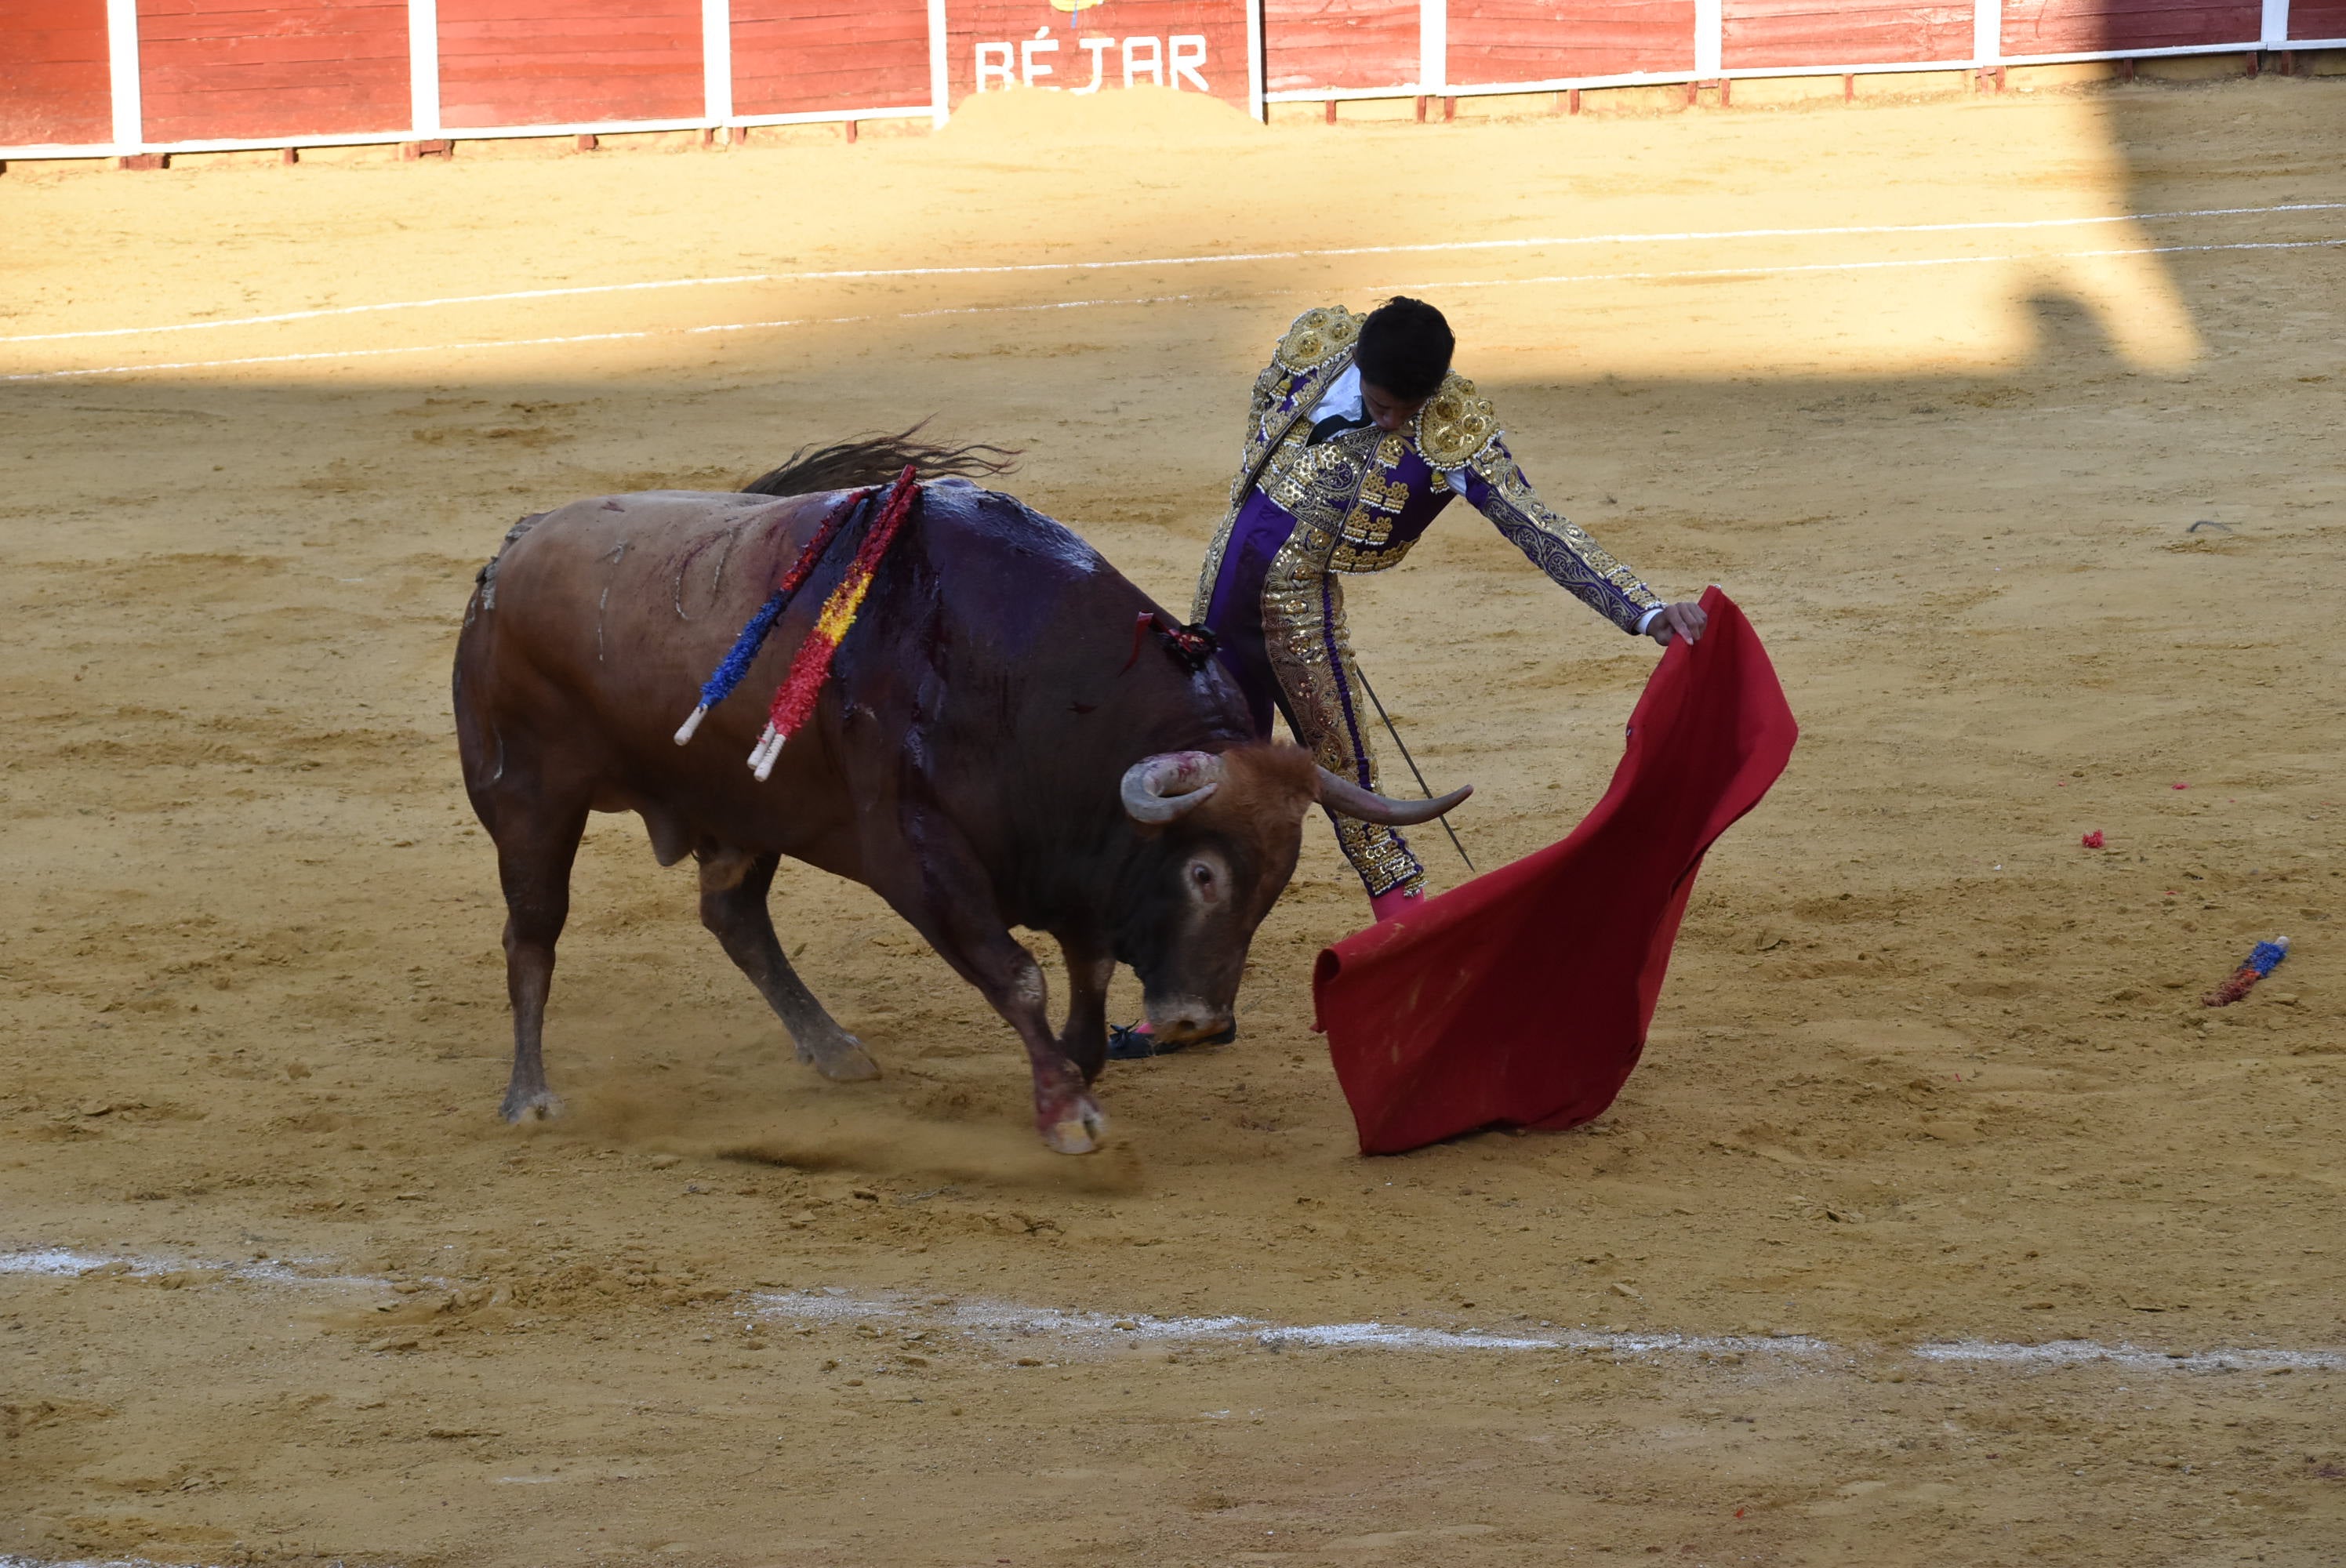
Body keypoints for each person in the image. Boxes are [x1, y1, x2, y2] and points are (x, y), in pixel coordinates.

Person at [1193, 296, 1708, 923]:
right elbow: (1261, 417)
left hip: (1296, 613)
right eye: (1383, 407)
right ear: (1357, 364)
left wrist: (1646, 610)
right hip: (1220, 584)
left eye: (1406, 413)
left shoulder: (1450, 430)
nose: (1391, 424)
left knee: (1346, 776)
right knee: (1211, 767)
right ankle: (1194, 957)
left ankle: (1405, 923)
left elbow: (1535, 525)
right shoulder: (1317, 344)